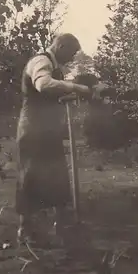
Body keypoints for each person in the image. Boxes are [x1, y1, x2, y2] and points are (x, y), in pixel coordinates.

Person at [15, 33, 92, 245]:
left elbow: (54, 91)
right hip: (32, 129)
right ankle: (26, 230)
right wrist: (76, 87)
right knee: (31, 176)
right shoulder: (41, 61)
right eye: (72, 52)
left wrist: (72, 94)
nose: (73, 57)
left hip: (47, 130)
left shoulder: (55, 66)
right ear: (60, 46)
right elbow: (44, 85)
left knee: (57, 175)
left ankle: (61, 226)